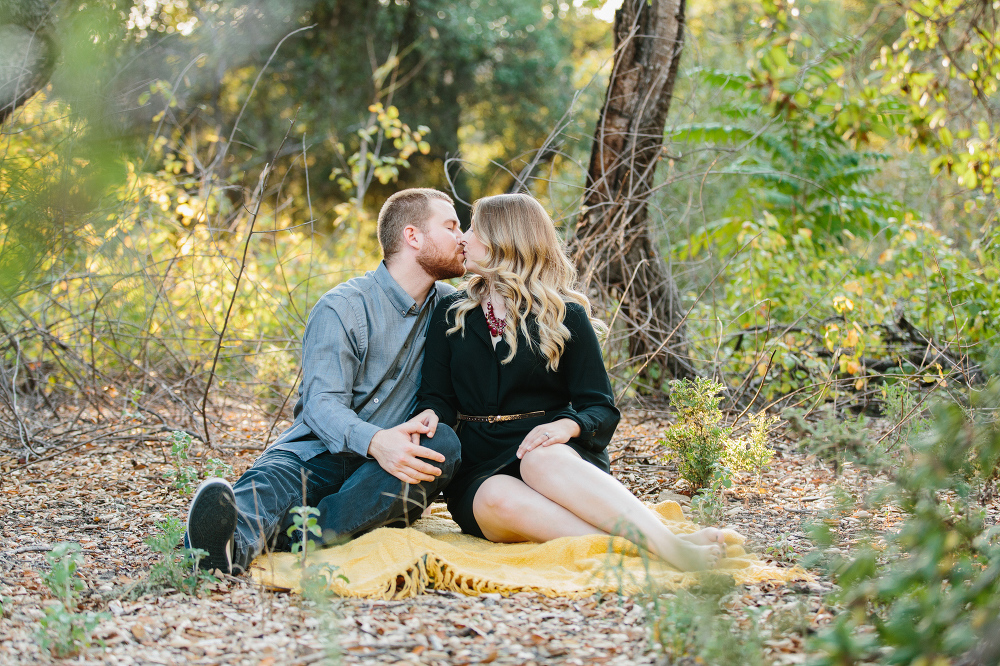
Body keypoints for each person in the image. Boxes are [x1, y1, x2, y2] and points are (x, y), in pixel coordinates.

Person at [412, 193, 724, 571]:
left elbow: (600, 408)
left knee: (538, 460)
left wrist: (566, 425)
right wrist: (430, 415)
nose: (463, 237)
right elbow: (437, 397)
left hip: (554, 455)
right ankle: (656, 546)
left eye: (475, 229)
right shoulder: (451, 312)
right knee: (498, 498)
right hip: (480, 466)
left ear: (504, 240)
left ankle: (670, 549)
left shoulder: (565, 315)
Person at [185, 188, 468, 575]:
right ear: (413, 236)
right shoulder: (343, 307)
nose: (463, 237)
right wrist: (374, 441)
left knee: (442, 447)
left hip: (387, 469)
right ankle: (221, 548)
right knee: (267, 489)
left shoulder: (453, 308)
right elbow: (320, 405)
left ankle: (290, 536)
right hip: (317, 454)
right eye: (451, 226)